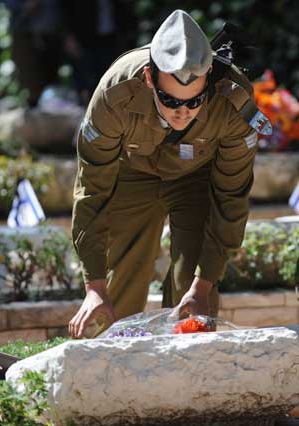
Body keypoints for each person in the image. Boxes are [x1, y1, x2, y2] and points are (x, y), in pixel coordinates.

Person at [69, 9, 265, 339]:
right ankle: (113, 371)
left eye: (195, 101)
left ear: (209, 83)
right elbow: (92, 190)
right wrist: (94, 286)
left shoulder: (235, 105)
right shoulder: (115, 93)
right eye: (169, 99)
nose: (182, 112)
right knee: (119, 286)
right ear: (149, 78)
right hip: (134, 171)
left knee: (193, 294)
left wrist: (204, 284)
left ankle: (188, 380)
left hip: (197, 177)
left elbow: (231, 199)